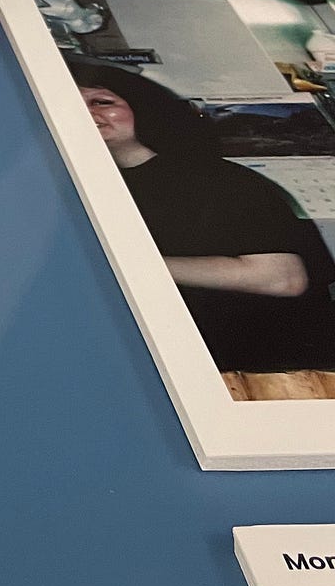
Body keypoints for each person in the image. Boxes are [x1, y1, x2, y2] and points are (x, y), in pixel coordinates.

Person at [68, 60, 335, 397]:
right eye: (73, 102)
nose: (87, 112)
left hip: (279, 375)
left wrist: (130, 264)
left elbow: (281, 278)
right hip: (196, 371)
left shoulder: (216, 179)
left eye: (102, 101)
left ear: (142, 108)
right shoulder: (101, 186)